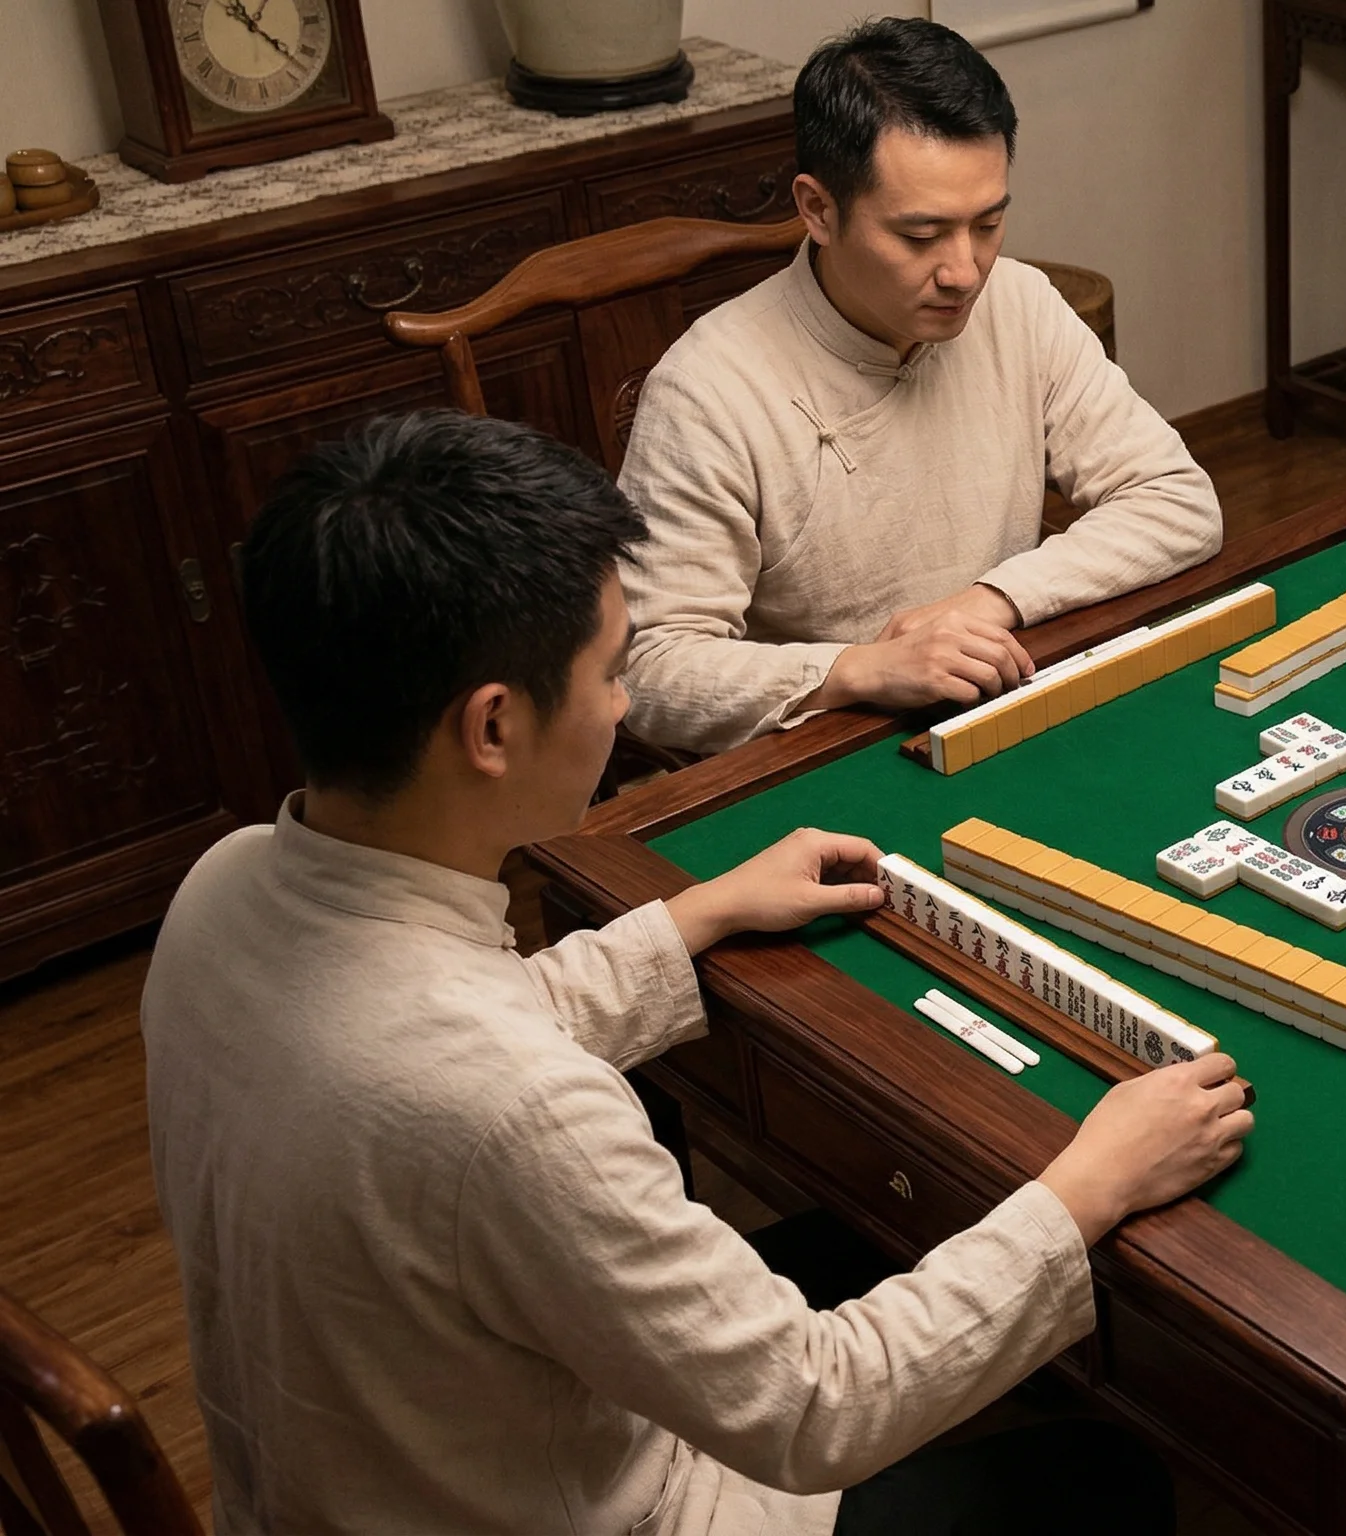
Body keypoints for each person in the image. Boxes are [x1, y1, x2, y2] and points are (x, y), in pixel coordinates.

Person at [142, 411, 1252, 1533]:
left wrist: (694, 916)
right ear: (492, 727)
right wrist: (1092, 1180)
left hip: (333, 1485)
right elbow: (817, 1406)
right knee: (1109, 1476)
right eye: (611, 670)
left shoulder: (223, 887)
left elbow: (448, 1023)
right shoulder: (514, 1116)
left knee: (876, 1236)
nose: (625, 705)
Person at [618, 18, 1222, 755]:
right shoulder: (708, 390)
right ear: (818, 211)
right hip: (829, 751)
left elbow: (1178, 500)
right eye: (920, 235)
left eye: (988, 223)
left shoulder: (1020, 304)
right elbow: (651, 671)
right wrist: (861, 668)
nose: (964, 272)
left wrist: (990, 602)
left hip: (999, 699)